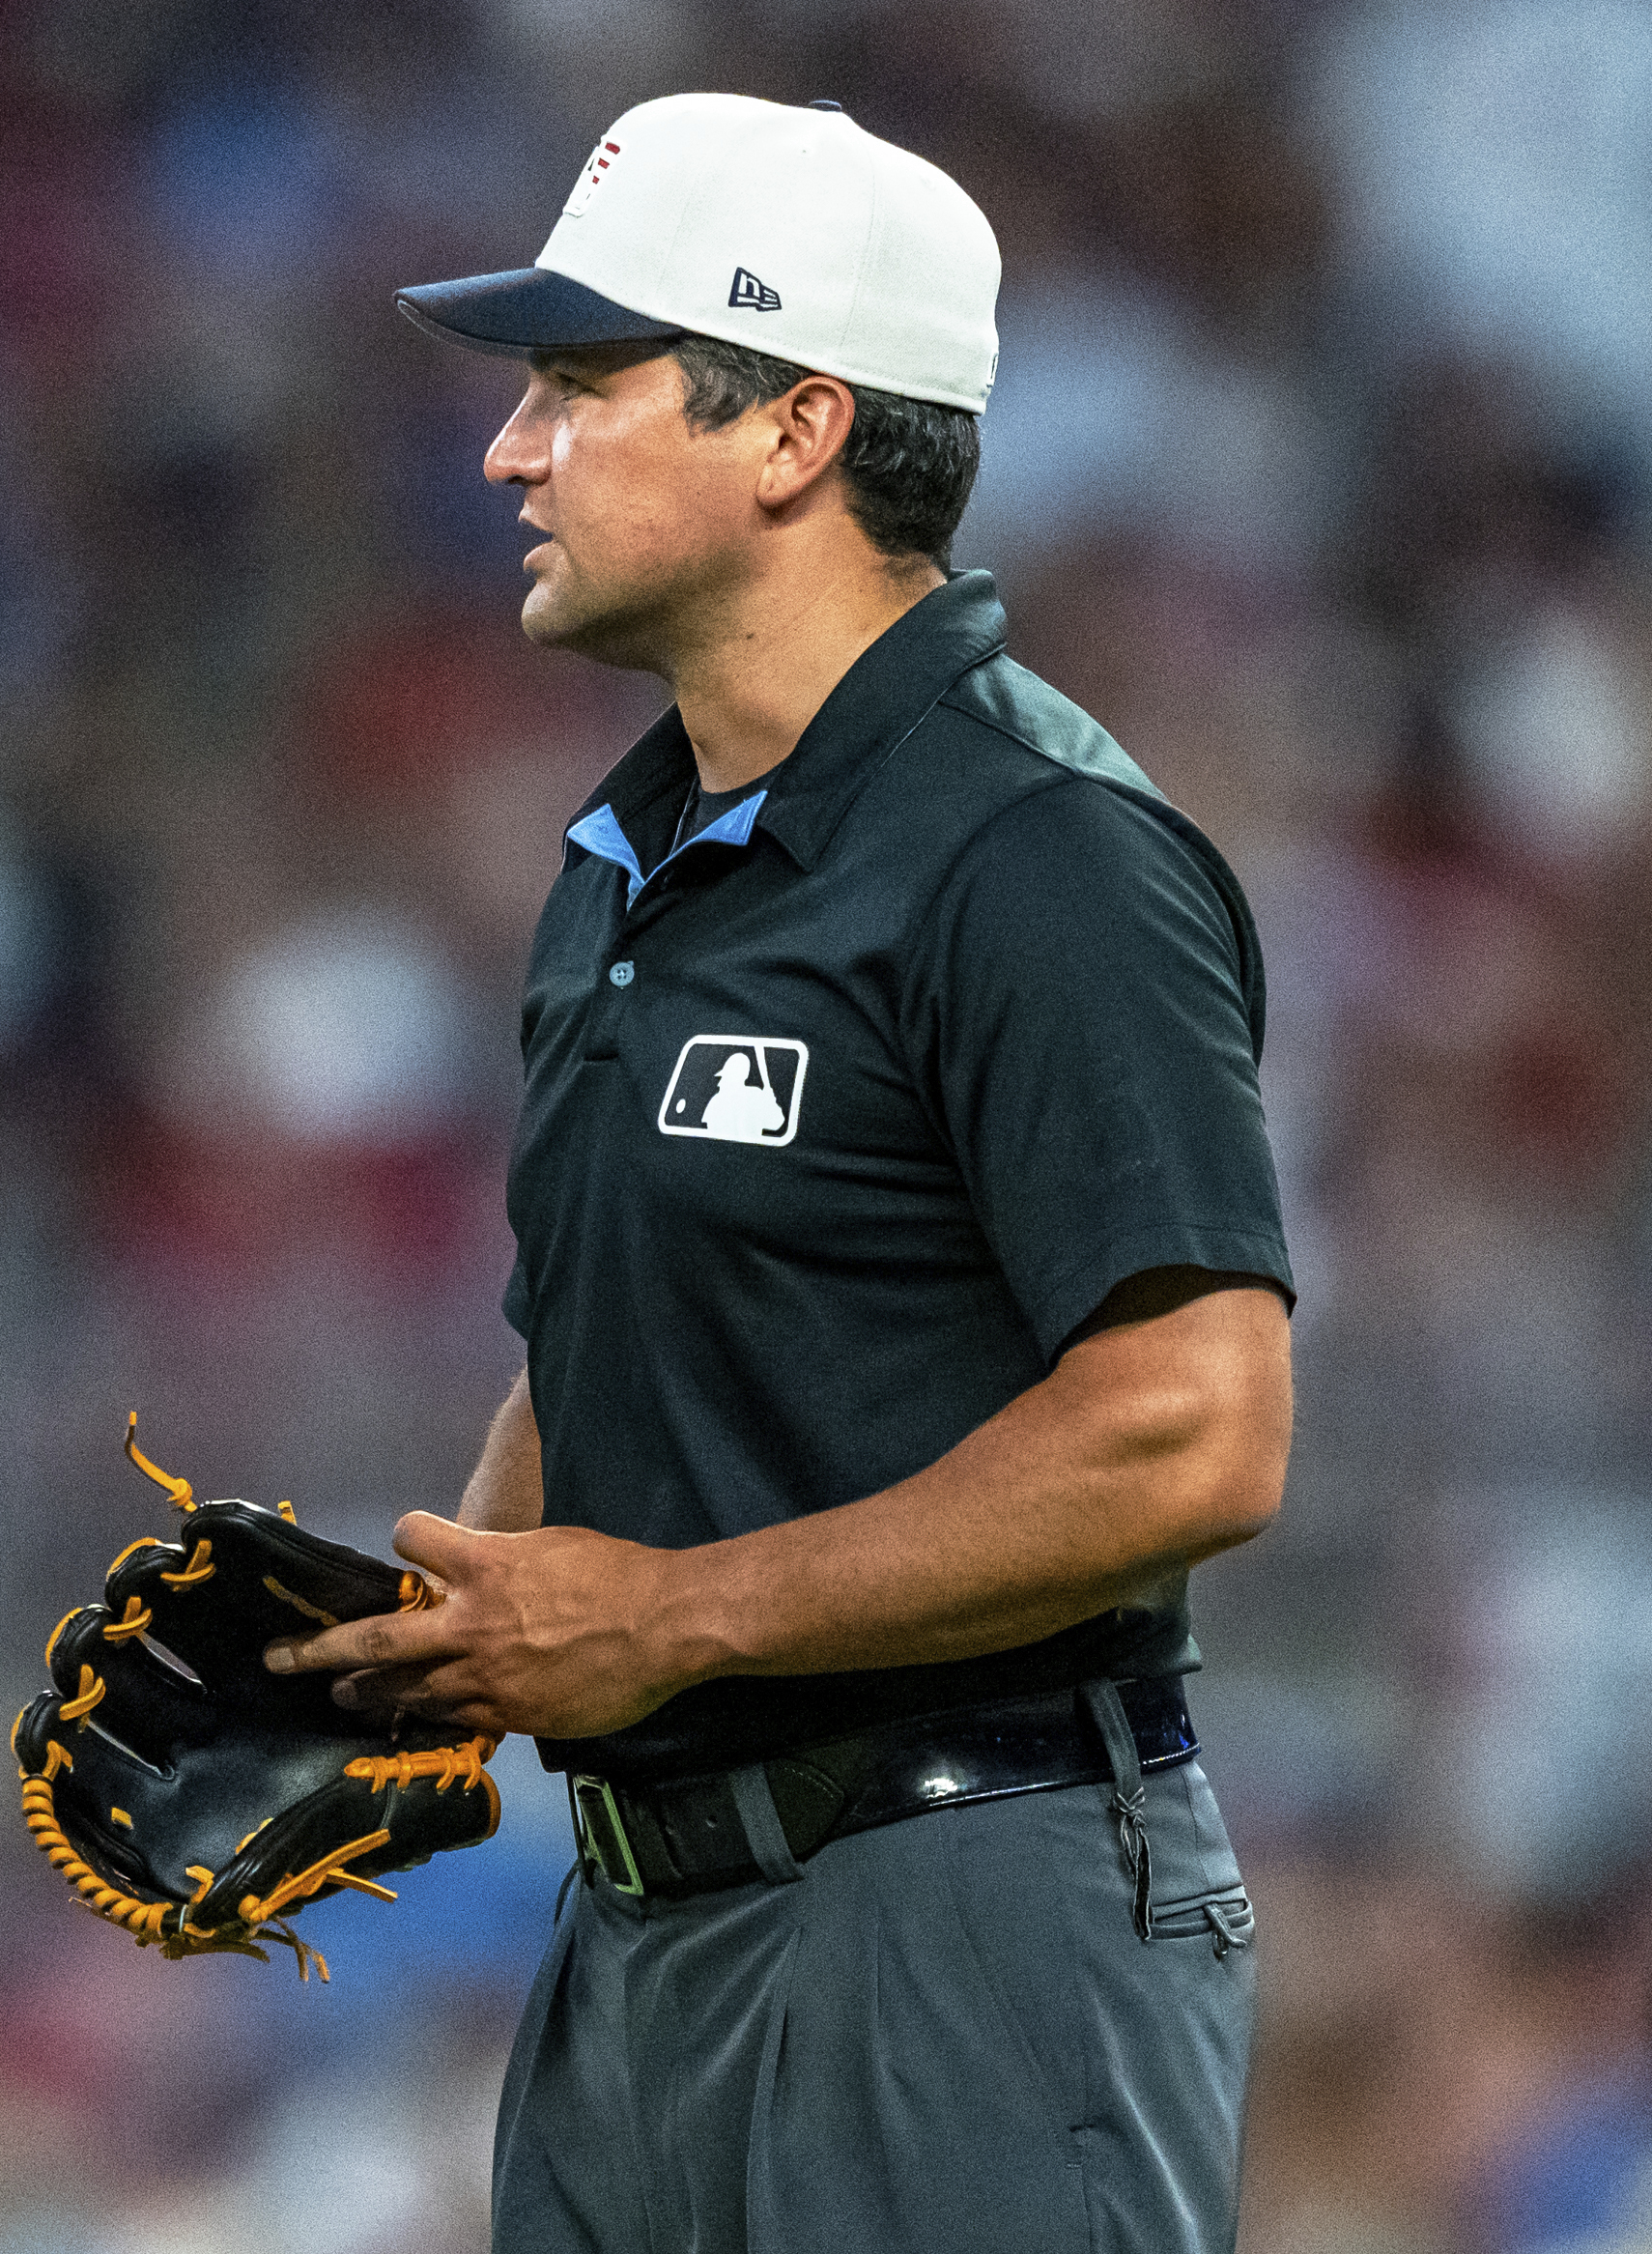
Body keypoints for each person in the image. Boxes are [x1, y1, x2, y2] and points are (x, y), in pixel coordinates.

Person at [270, 92, 1294, 2252]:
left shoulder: (1039, 855)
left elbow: (1193, 1430)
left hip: (968, 1916)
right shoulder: (631, 860)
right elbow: (611, 1349)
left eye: (576, 384)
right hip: (648, 1948)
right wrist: (426, 1650)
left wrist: (663, 1615)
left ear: (794, 431)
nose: (507, 452)